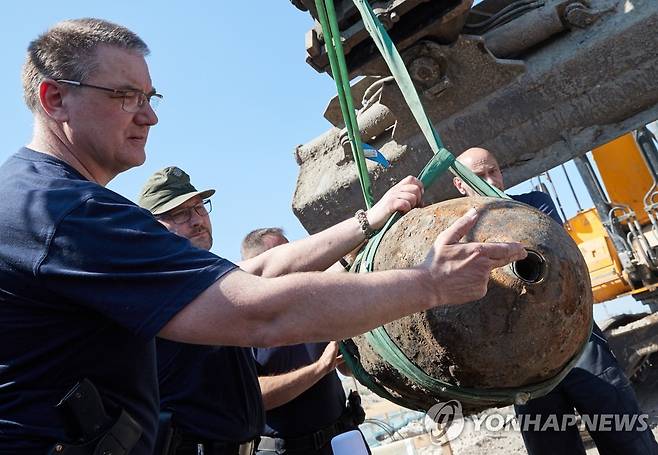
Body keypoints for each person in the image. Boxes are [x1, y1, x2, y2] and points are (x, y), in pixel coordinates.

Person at [0, 18, 526, 454]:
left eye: (150, 95)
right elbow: (257, 310)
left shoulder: (40, 199)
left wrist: (369, 221)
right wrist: (430, 285)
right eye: (125, 95)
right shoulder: (61, 209)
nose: (150, 115)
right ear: (55, 99)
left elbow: (255, 273)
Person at [453, 147, 658, 455]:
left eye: (493, 171)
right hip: (520, 364)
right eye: (478, 176)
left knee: (627, 435)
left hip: (578, 341)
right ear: (460, 184)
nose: (490, 180)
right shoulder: (455, 232)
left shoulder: (534, 204)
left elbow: (555, 259)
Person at [241, 229, 368, 455]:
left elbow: (347, 368)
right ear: (259, 267)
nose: (297, 259)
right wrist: (319, 369)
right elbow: (255, 396)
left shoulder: (314, 307)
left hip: (341, 441)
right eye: (285, 255)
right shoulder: (239, 327)